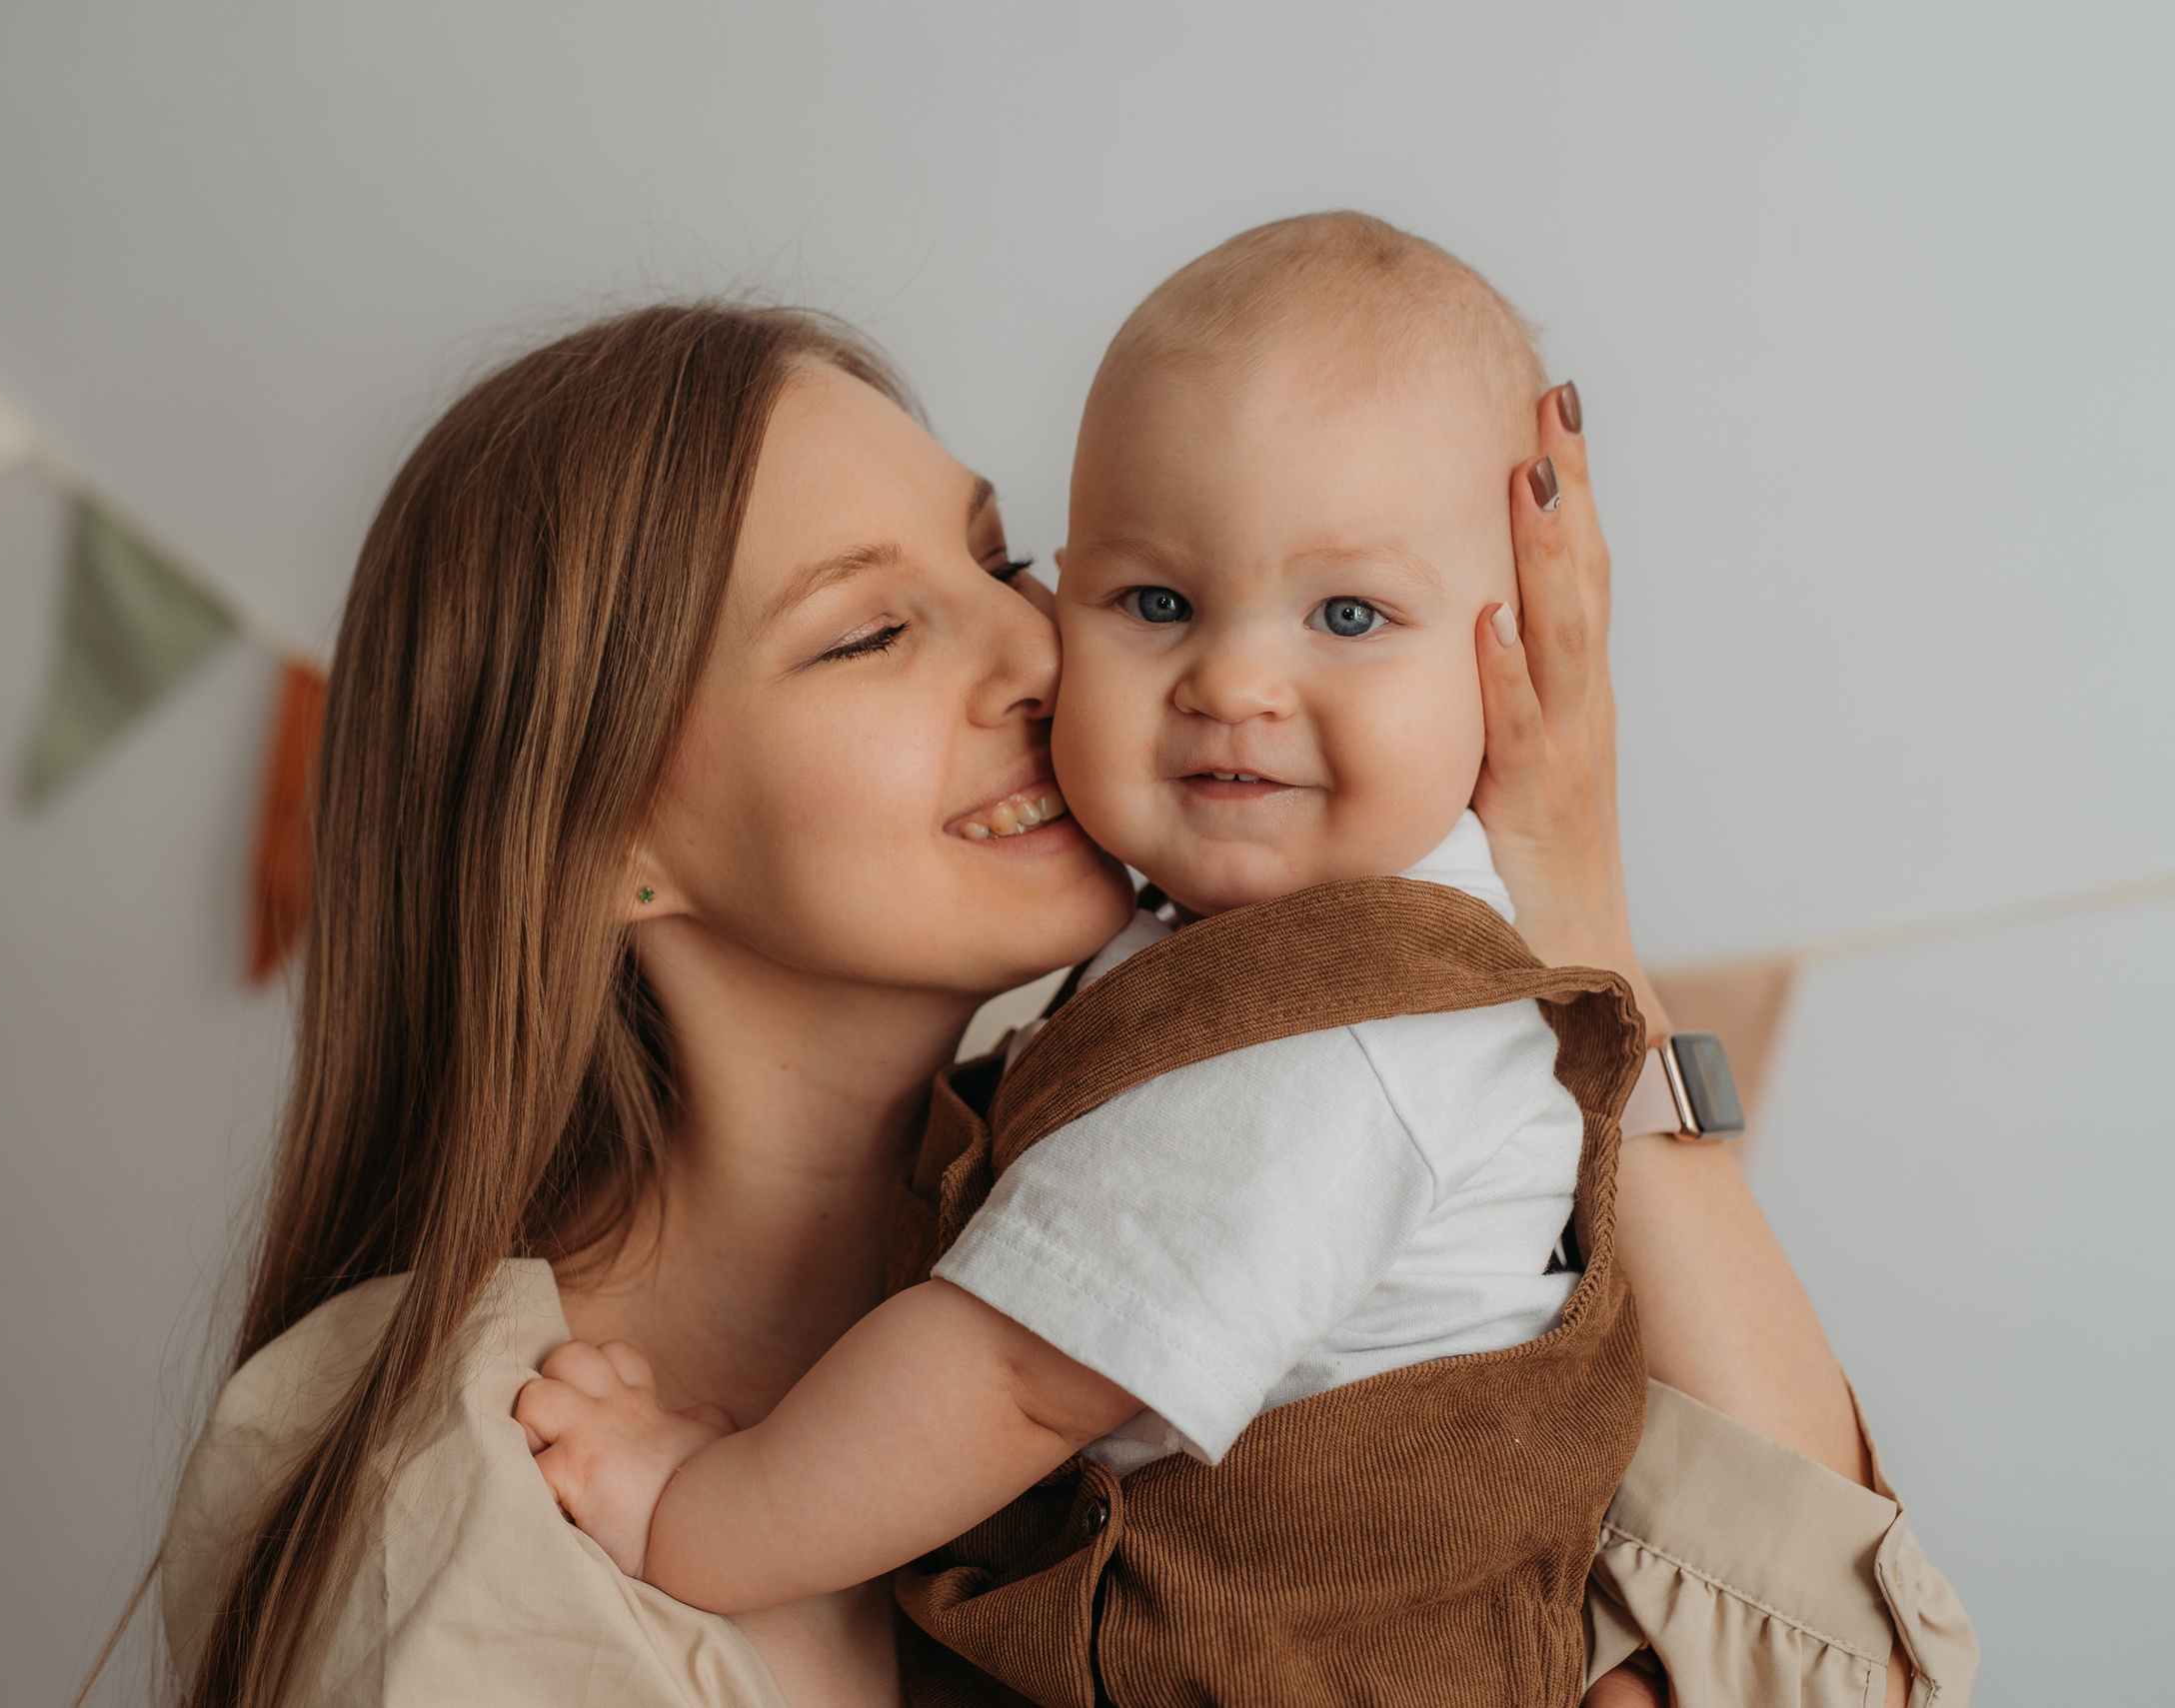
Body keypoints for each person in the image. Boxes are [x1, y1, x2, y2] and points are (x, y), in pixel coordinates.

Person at [154, 300, 1974, 1708]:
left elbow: (1837, 1661)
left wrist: (1574, 909)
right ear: (609, 839)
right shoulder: (464, 1495)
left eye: (1003, 554)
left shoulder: (1234, 1181)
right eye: (874, 628)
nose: (1044, 648)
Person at [515, 213, 1659, 1702]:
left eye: (1350, 614)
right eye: (1154, 601)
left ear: (1510, 659)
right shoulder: (1239, 968)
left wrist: (693, 1510)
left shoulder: (1339, 1040)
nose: (1234, 680)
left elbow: (1013, 1372)